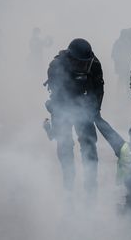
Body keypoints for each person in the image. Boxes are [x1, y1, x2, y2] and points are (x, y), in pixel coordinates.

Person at [43, 38, 104, 192]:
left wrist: (95, 109)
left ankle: (91, 180)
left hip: (84, 105)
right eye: (79, 62)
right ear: (71, 57)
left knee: (89, 142)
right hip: (63, 105)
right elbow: (57, 94)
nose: (82, 66)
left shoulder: (94, 63)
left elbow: (98, 89)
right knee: (64, 143)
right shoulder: (56, 65)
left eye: (85, 62)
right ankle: (68, 178)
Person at [111, 28, 131, 97]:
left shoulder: (126, 42)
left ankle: (125, 93)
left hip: (126, 65)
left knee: (125, 79)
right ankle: (120, 94)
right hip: (122, 65)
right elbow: (114, 54)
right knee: (123, 79)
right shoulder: (120, 42)